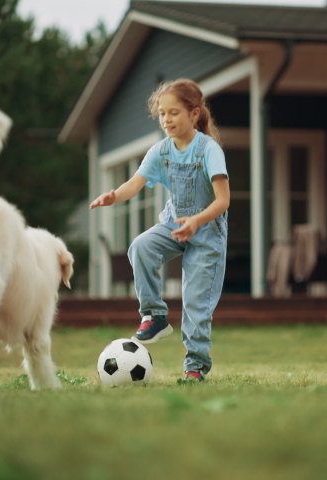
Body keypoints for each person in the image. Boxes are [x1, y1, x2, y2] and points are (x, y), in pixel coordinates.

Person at [90, 78, 230, 383]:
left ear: (194, 114)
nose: (166, 119)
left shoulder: (209, 150)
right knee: (141, 246)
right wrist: (114, 195)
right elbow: (134, 184)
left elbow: (223, 201)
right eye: (162, 113)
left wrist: (196, 221)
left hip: (207, 233)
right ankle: (154, 315)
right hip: (174, 225)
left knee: (195, 302)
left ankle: (195, 366)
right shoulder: (161, 151)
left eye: (174, 112)